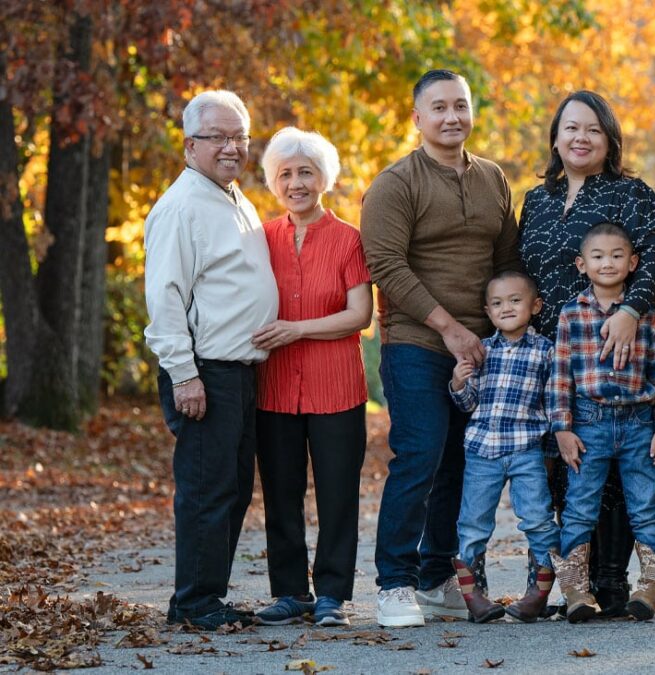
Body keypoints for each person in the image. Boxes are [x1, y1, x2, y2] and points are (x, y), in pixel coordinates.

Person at [361, 69, 522, 628]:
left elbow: (506, 262)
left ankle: (436, 579)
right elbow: (384, 264)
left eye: (460, 105)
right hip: (417, 342)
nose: (451, 116)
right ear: (417, 117)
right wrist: (449, 327)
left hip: (480, 349)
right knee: (422, 454)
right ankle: (394, 584)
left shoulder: (493, 179)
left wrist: (501, 331)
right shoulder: (395, 183)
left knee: (462, 460)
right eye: (438, 107)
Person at [519, 90, 655, 616]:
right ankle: (568, 585)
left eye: (592, 130)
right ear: (555, 137)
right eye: (570, 129)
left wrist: (629, 313)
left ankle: (612, 581)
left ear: (609, 139)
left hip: (612, 345)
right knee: (564, 464)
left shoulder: (629, 193)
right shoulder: (536, 199)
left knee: (618, 471)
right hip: (553, 352)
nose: (580, 138)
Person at [144, 90, 278, 630]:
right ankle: (197, 602)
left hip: (240, 370)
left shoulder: (231, 197)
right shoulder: (180, 207)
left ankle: (203, 597)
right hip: (205, 370)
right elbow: (165, 298)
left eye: (239, 136)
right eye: (218, 136)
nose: (231, 147)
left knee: (233, 487)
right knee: (207, 489)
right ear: (189, 145)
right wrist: (185, 375)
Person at [249, 128, 373, 627]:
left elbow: (359, 314)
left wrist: (296, 329)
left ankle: (332, 597)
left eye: (305, 172)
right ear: (273, 183)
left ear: (324, 178)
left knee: (337, 493)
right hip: (274, 386)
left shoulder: (348, 240)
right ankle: (290, 593)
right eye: (286, 174)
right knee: (280, 493)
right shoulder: (259, 240)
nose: (296, 183)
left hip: (337, 386)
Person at [546, 223, 655, 624]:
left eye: (617, 255)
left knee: (646, 506)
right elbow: (561, 374)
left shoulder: (646, 313)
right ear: (581, 264)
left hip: (640, 423)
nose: (608, 263)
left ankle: (649, 588)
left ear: (633, 262)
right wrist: (562, 427)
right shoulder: (571, 314)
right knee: (580, 506)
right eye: (598, 256)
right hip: (589, 424)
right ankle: (576, 592)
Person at [448, 271, 560, 624]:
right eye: (497, 303)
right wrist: (458, 381)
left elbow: (555, 401)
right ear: (487, 310)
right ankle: (475, 596)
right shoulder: (481, 350)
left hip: (527, 449)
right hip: (482, 449)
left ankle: (536, 593)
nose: (506, 308)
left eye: (515, 300)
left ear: (535, 305)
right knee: (473, 523)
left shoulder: (547, 351)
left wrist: (553, 450)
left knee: (538, 518)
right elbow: (467, 403)